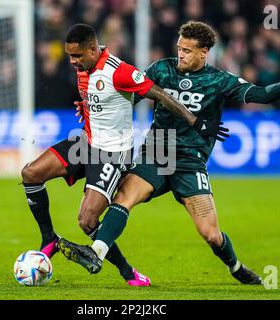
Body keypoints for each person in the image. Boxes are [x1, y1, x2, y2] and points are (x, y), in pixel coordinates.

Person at [57, 21, 280, 285]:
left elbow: (261, 95)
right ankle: (96, 253)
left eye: (188, 51)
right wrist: (91, 106)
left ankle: (235, 266)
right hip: (157, 151)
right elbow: (127, 95)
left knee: (211, 234)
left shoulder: (219, 80)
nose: (181, 54)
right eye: (179, 48)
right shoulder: (161, 69)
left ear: (204, 52)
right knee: (124, 198)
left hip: (191, 162)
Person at [21, 23, 227, 286]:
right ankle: (49, 237)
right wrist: (85, 106)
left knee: (87, 221)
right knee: (30, 173)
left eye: (77, 56)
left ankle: (128, 272)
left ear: (94, 49)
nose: (72, 62)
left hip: (112, 153)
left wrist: (195, 121)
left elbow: (161, 95)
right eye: (70, 56)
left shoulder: (119, 72)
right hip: (87, 142)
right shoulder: (85, 67)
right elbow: (99, 97)